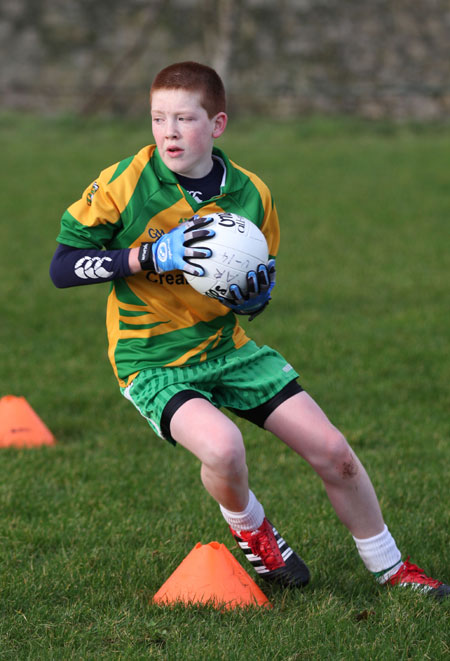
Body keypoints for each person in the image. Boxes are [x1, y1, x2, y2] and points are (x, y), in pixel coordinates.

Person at [50, 61, 449, 598]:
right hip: (151, 359)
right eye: (158, 118)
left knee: (334, 452)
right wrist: (145, 255)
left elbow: (251, 282)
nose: (169, 131)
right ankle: (253, 530)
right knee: (224, 448)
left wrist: (255, 298)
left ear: (216, 125)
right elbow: (62, 267)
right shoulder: (125, 182)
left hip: (226, 347)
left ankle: (394, 570)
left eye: (184, 119)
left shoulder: (252, 194)